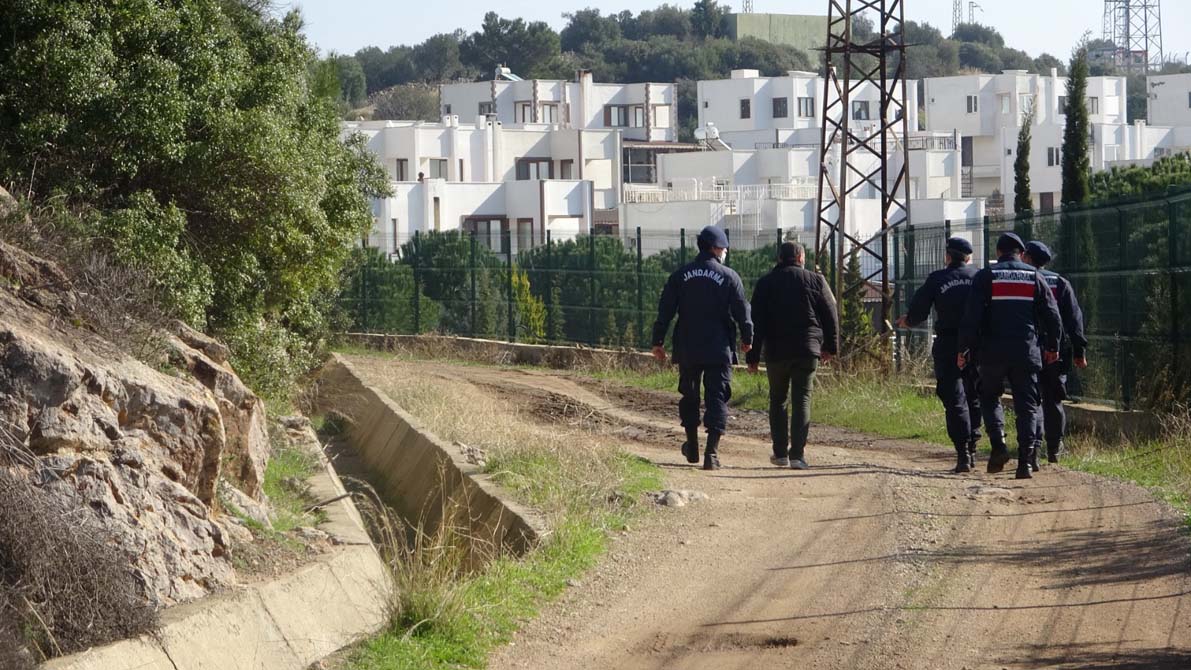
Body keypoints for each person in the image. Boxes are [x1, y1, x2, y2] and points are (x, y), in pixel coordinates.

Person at [960, 232, 1062, 480]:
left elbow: (971, 317)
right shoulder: (1034, 276)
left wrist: (964, 348)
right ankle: (1025, 463)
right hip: (1026, 352)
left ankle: (999, 445)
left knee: (989, 397)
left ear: (998, 252)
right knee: (1027, 406)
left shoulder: (987, 276)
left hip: (992, 353)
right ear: (1020, 253)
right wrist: (1052, 346)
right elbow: (1053, 315)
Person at [651, 225, 753, 471]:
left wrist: (658, 341)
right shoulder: (730, 276)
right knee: (717, 396)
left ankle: (692, 444)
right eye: (724, 247)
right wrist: (747, 338)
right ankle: (712, 454)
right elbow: (743, 311)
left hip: (688, 346)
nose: (726, 251)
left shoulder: (680, 275)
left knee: (690, 395)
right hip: (719, 348)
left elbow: (665, 310)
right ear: (715, 248)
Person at [745, 243, 838, 470]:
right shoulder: (816, 281)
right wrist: (830, 347)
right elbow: (830, 313)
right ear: (800, 257)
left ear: (779, 258)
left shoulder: (766, 283)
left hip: (776, 351)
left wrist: (753, 357)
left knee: (777, 400)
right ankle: (797, 455)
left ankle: (779, 454)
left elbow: (757, 321)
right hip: (807, 351)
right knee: (802, 399)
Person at [896, 237, 982, 473]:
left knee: (954, 399)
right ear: (968, 257)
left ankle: (963, 453)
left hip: (948, 343)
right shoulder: (979, 277)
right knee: (974, 393)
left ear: (947, 256)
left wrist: (908, 321)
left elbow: (919, 310)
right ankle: (973, 443)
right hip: (976, 343)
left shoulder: (938, 278)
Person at [1023, 240, 1089, 468]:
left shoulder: (1024, 279)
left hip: (1029, 347)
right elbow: (1074, 319)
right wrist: (1079, 351)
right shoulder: (1060, 282)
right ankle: (1055, 448)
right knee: (1054, 399)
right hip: (1057, 351)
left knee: (1033, 399)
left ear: (1028, 258)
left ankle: (1034, 447)